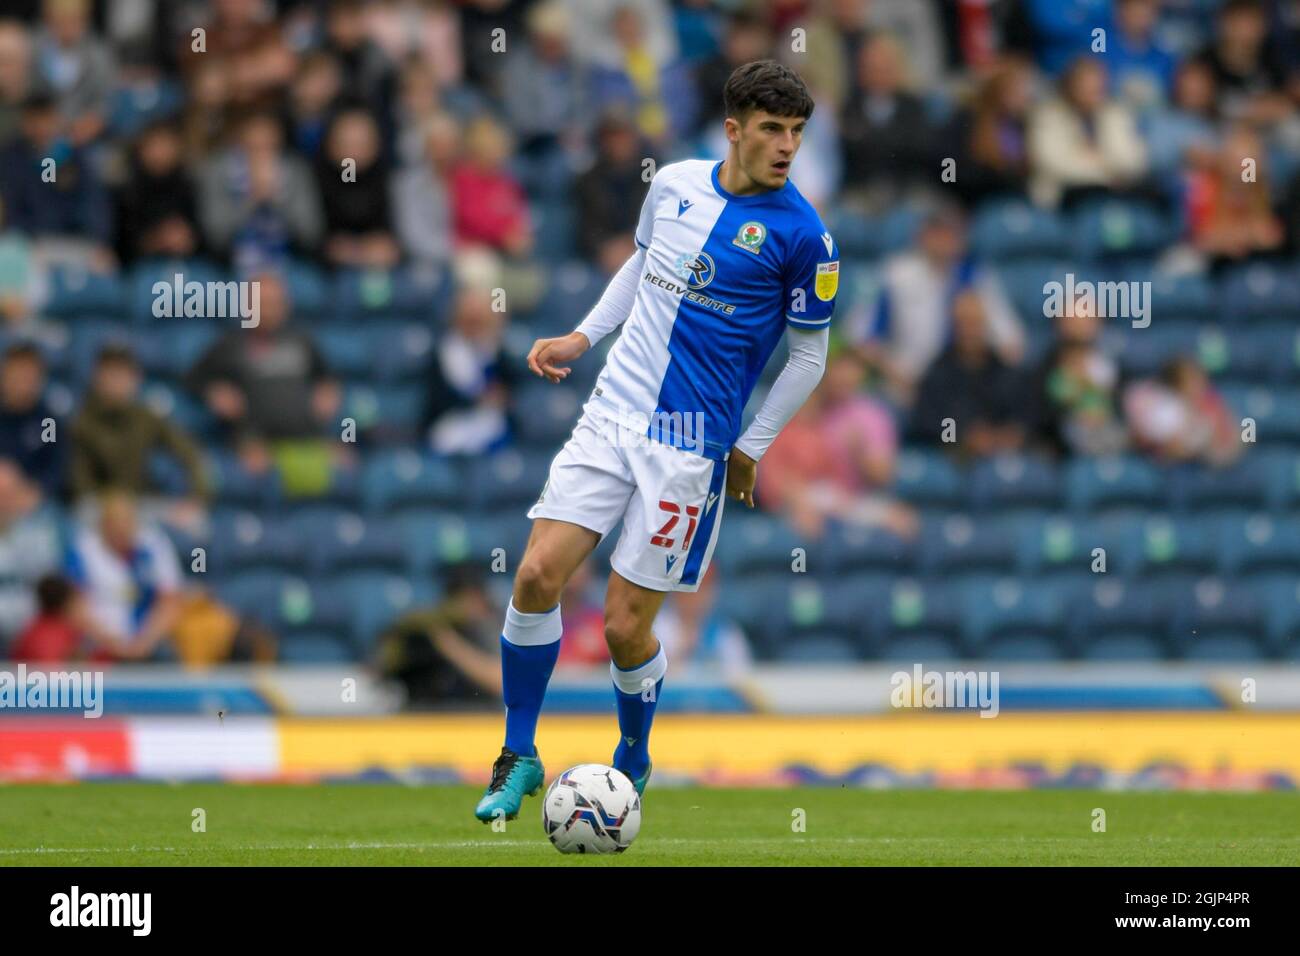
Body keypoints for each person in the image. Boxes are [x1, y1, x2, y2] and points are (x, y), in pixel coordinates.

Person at [472, 60, 838, 821]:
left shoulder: (806, 237)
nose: (785, 147)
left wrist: (752, 445)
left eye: (797, 132)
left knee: (622, 625)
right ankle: (519, 754)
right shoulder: (672, 183)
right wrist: (581, 335)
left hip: (691, 444)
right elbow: (643, 267)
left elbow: (809, 355)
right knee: (537, 575)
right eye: (771, 129)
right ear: (733, 130)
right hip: (613, 411)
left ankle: (632, 756)